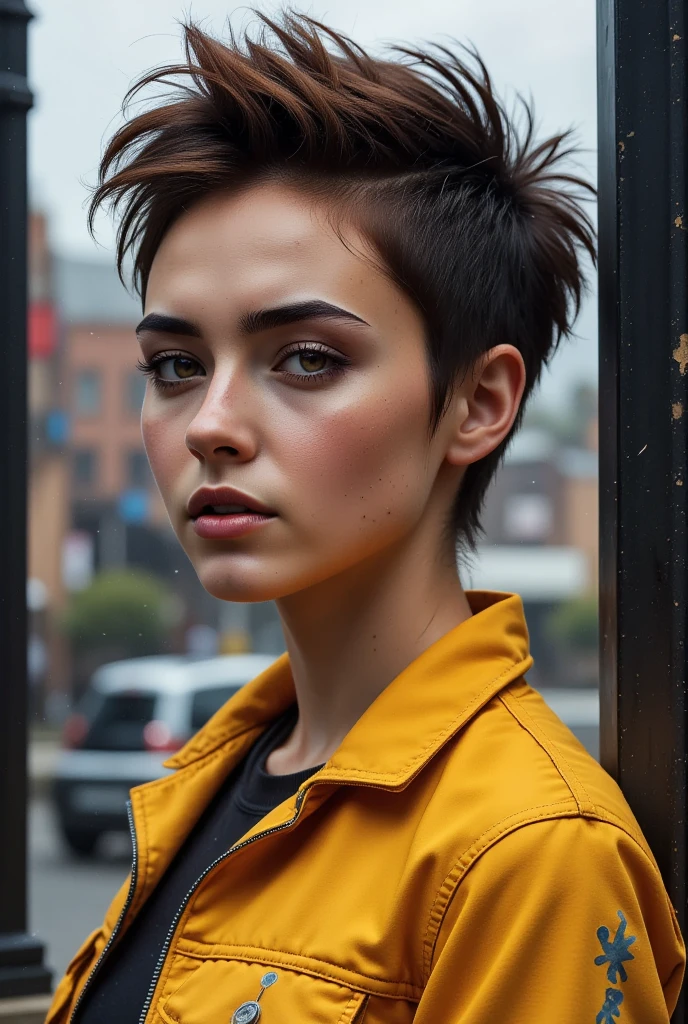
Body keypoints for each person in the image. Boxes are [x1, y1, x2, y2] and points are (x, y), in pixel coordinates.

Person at [47, 12, 685, 1023]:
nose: (210, 423)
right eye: (175, 365)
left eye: (305, 357)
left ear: (478, 403)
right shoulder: (207, 782)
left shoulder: (529, 851)